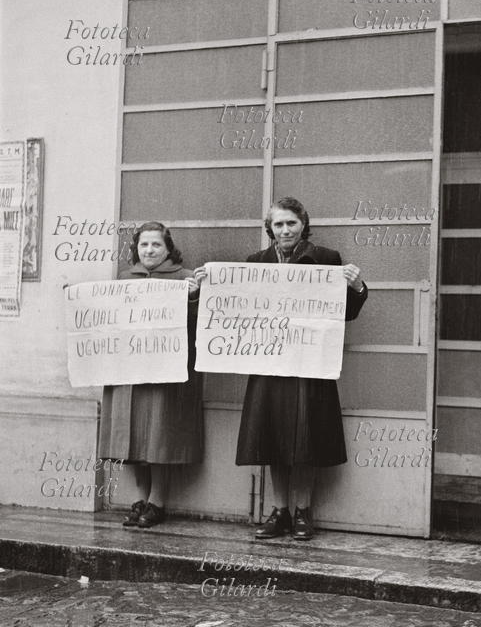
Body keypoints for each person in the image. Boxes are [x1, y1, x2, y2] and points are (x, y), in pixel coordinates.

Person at [196, 197, 368, 541]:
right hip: (268, 366)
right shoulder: (255, 263)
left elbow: (345, 313)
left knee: (306, 440)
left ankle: (304, 511)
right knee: (273, 437)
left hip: (309, 367)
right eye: (278, 224)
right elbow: (234, 312)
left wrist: (356, 287)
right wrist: (207, 285)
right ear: (270, 229)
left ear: (303, 224)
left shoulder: (326, 260)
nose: (285, 230)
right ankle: (281, 512)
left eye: (291, 223)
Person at [98, 222, 203, 528]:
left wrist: (195, 297)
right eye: (144, 245)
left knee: (158, 436)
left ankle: (158, 502)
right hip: (131, 373)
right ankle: (143, 499)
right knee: (135, 439)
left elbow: (201, 326)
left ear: (168, 249)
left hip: (165, 374)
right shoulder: (124, 279)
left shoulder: (185, 278)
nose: (149, 251)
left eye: (156, 245)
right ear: (136, 248)